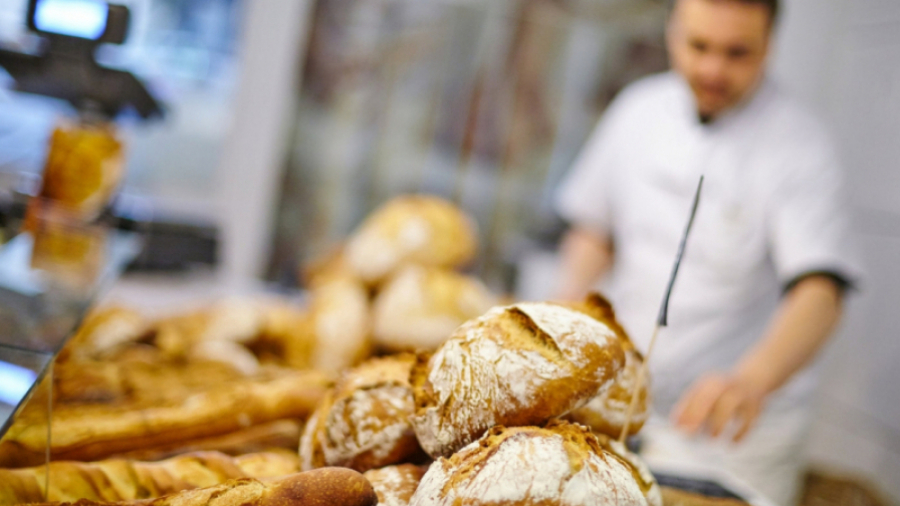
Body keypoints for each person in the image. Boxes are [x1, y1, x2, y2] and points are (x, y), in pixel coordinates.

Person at [554, 0, 861, 504]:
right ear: (673, 32)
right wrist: (566, 304)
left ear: (770, 46)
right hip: (623, 406)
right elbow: (595, 230)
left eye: (738, 53)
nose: (713, 70)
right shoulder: (637, 110)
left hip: (732, 435)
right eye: (698, 47)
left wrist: (751, 379)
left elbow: (821, 291)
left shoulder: (802, 145)